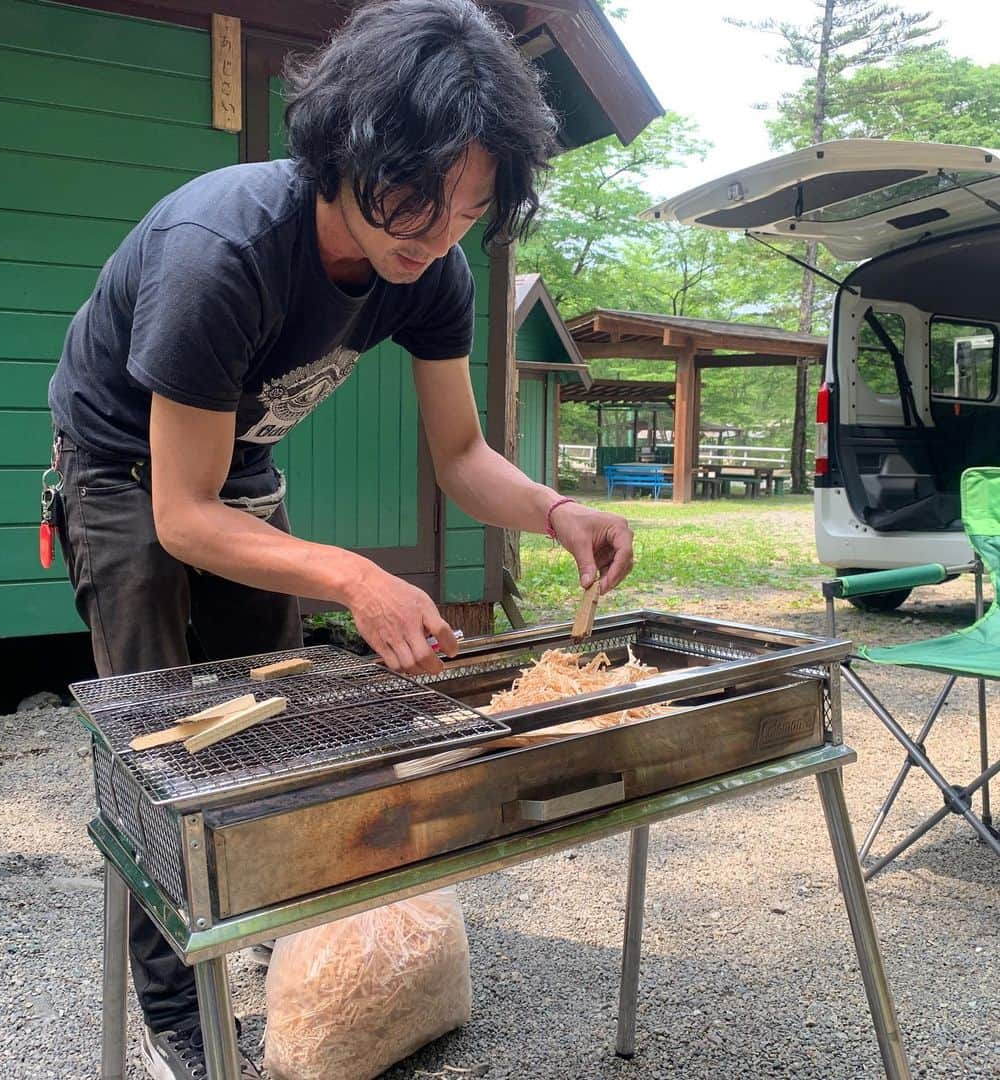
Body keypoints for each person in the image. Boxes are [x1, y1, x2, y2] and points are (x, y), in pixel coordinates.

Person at [48, 0, 634, 1076]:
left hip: (240, 467)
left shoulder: (434, 274)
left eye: (469, 209)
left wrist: (555, 510)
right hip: (126, 473)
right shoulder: (220, 252)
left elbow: (460, 456)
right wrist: (352, 573)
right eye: (416, 198)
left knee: (272, 722)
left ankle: (272, 949)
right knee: (164, 749)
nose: (436, 234)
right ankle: (183, 1012)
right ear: (347, 148)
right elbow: (182, 513)